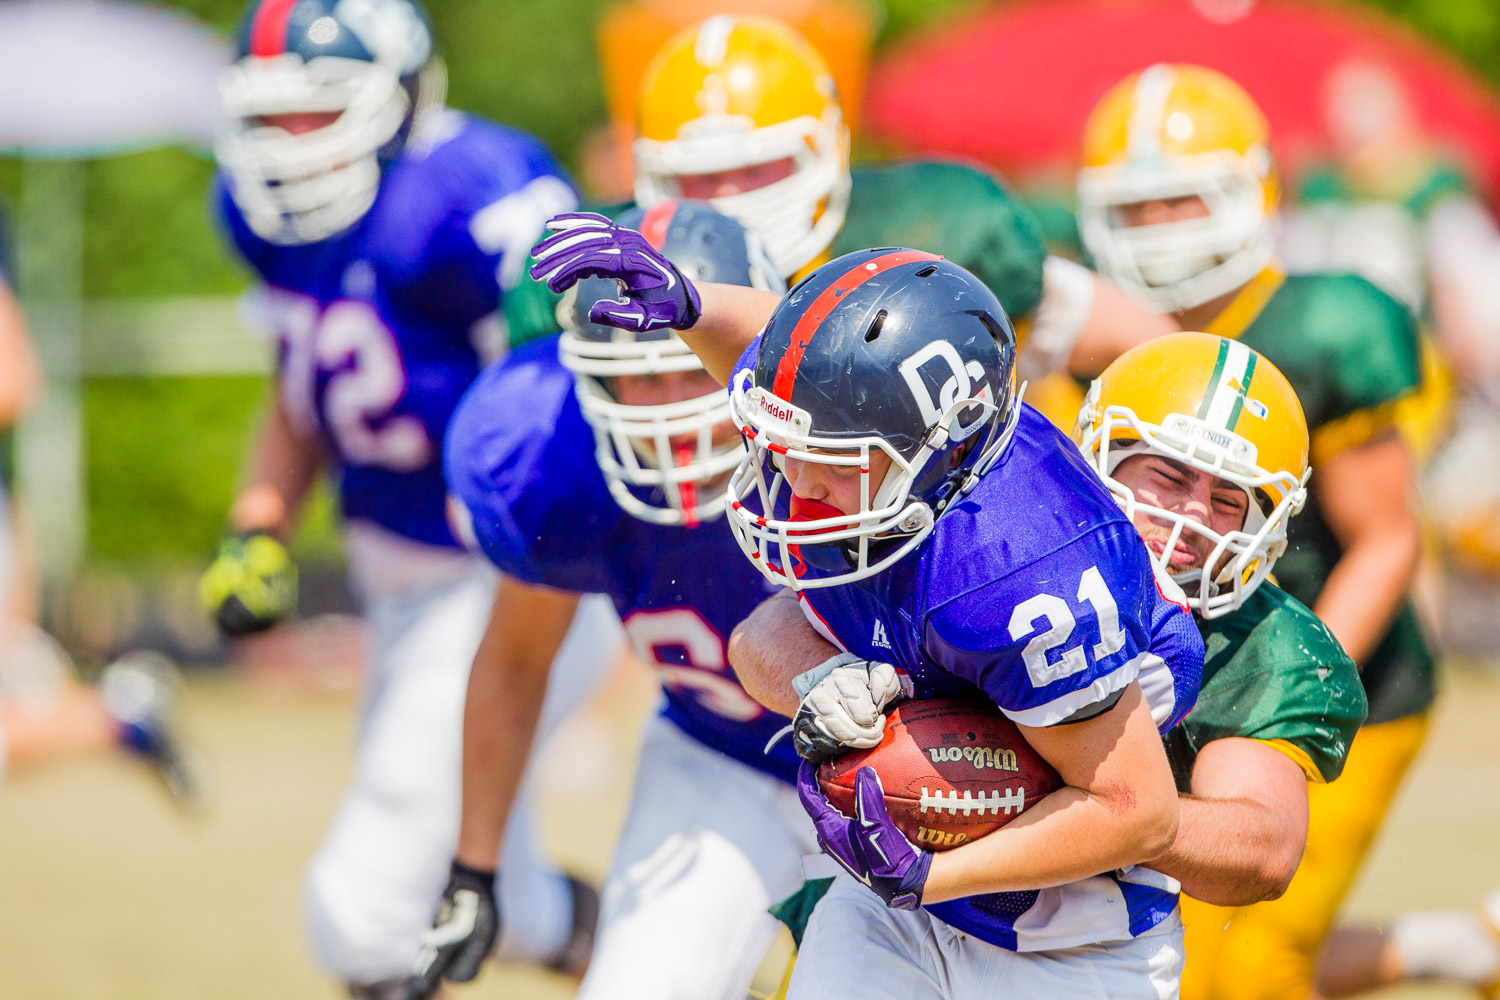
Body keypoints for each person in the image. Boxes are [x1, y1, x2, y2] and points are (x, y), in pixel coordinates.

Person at [529, 214, 1207, 999]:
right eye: (788, 450)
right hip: (888, 908)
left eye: (829, 460)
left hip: (1069, 934)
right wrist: (690, 304)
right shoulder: (870, 452)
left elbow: (1139, 813)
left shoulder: (1023, 570)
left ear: (942, 445)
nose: (797, 484)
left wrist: (933, 872)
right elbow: (763, 626)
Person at [197, 2, 616, 995]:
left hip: (506, 583)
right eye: (272, 120)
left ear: (401, 98)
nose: (291, 147)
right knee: (494, 893)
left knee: (366, 908)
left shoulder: (470, 194)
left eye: (320, 113)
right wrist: (259, 519)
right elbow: (304, 384)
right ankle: (726, 964)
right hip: (401, 594)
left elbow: (562, 386)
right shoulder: (265, 218)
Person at [1076, 62, 1433, 1000]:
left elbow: (1388, 539)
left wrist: (1280, 683)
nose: (1162, 227)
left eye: (1183, 197)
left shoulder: (1326, 320)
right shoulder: (1099, 336)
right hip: (1160, 669)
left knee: (1254, 963)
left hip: (1318, 667)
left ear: (1253, 188)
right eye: (1139, 205)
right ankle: (1456, 948)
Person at [407, 201, 822, 1000]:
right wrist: (475, 866)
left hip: (894, 767)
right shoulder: (555, 463)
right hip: (717, 757)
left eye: (684, 362)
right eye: (636, 374)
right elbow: (518, 655)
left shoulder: (845, 442)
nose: (668, 402)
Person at [502, 14, 1176, 388]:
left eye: (759, 166)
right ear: (647, 178)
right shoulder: (609, 278)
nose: (730, 199)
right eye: (698, 178)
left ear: (826, 150)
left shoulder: (929, 227)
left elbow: (1144, 345)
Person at [1074, 332, 1366, 907]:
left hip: (1098, 923)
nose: (1196, 512)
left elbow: (1262, 851)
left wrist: (1097, 812)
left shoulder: (1261, 643)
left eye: (1229, 499)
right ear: (1102, 459)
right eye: (1170, 476)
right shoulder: (1006, 537)